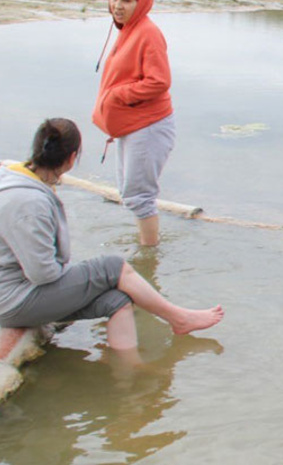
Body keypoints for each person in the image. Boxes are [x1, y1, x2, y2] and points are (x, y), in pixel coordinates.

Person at [0, 119, 224, 353]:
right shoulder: (28, 203)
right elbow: (42, 274)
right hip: (11, 300)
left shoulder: (20, 180)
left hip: (17, 293)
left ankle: (127, 376)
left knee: (117, 300)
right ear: (72, 158)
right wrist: (83, 278)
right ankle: (178, 318)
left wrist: (81, 281)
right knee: (112, 267)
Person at [92, 0, 177, 247]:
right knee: (129, 193)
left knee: (139, 196)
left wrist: (117, 97)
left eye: (126, 0)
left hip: (149, 126)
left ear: (141, 3)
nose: (117, 6)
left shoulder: (148, 33)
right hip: (132, 125)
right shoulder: (128, 30)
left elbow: (159, 81)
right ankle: (146, 245)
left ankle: (148, 259)